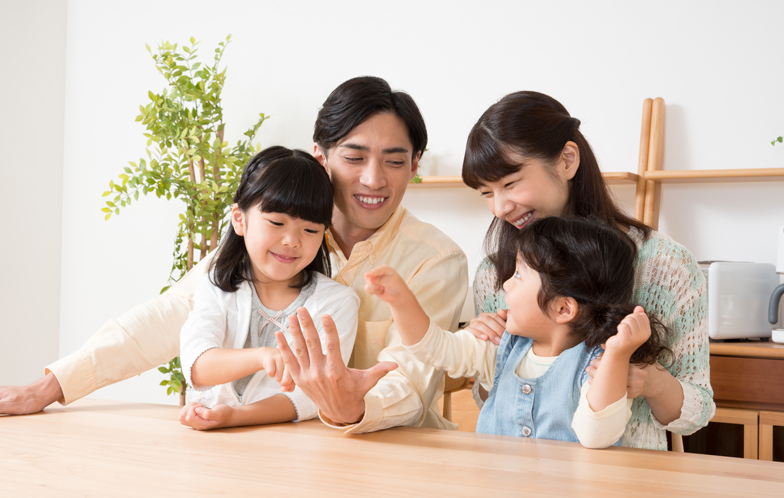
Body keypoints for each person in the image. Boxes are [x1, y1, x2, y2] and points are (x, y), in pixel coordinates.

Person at [0, 77, 468, 435]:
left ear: (416, 164)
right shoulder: (265, 234)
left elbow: (412, 380)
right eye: (354, 156)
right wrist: (50, 386)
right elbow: (169, 314)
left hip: (390, 460)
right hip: (261, 454)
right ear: (320, 155)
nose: (373, 179)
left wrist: (351, 405)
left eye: (394, 161)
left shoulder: (435, 260)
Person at [460, 91, 714, 450]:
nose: (500, 207)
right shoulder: (495, 271)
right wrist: (485, 354)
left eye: (510, 183)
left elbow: (697, 414)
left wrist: (651, 381)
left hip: (627, 481)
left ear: (566, 160)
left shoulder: (663, 265)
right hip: (513, 477)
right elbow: (489, 401)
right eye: (486, 193)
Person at [363, 216, 671, 448]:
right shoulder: (500, 348)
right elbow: (435, 349)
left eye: (519, 275)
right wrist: (401, 301)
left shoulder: (600, 366)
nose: (505, 284)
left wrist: (618, 354)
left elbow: (596, 436)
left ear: (563, 309)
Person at [177, 147, 358, 430]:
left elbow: (314, 397)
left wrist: (236, 417)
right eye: (276, 222)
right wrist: (262, 357)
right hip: (210, 448)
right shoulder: (216, 287)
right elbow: (197, 366)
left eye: (310, 230)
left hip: (289, 452)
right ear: (240, 219)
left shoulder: (337, 302)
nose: (291, 240)